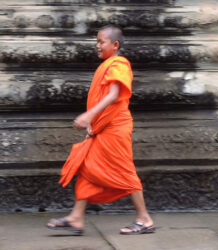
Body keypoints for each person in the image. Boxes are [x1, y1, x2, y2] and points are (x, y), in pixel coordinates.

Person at [47, 24, 154, 235]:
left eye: (101, 42)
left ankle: (145, 219)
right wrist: (95, 124)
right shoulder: (107, 65)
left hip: (116, 127)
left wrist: (89, 116)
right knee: (86, 166)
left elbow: (114, 95)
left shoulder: (119, 63)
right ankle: (77, 217)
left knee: (124, 171)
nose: (97, 45)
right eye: (96, 41)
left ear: (115, 45)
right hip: (104, 127)